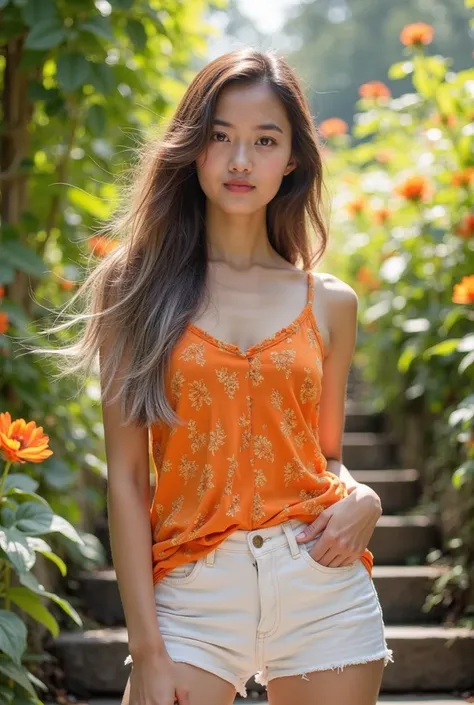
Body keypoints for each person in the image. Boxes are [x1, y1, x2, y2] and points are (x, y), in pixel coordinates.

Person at [38, 47, 393, 705]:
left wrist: (364, 499)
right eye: (220, 137)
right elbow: (126, 476)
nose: (239, 160)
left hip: (321, 585)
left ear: (292, 159)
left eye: (264, 140)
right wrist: (146, 649)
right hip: (192, 594)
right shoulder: (134, 286)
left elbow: (326, 455)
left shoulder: (331, 301)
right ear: (192, 147)